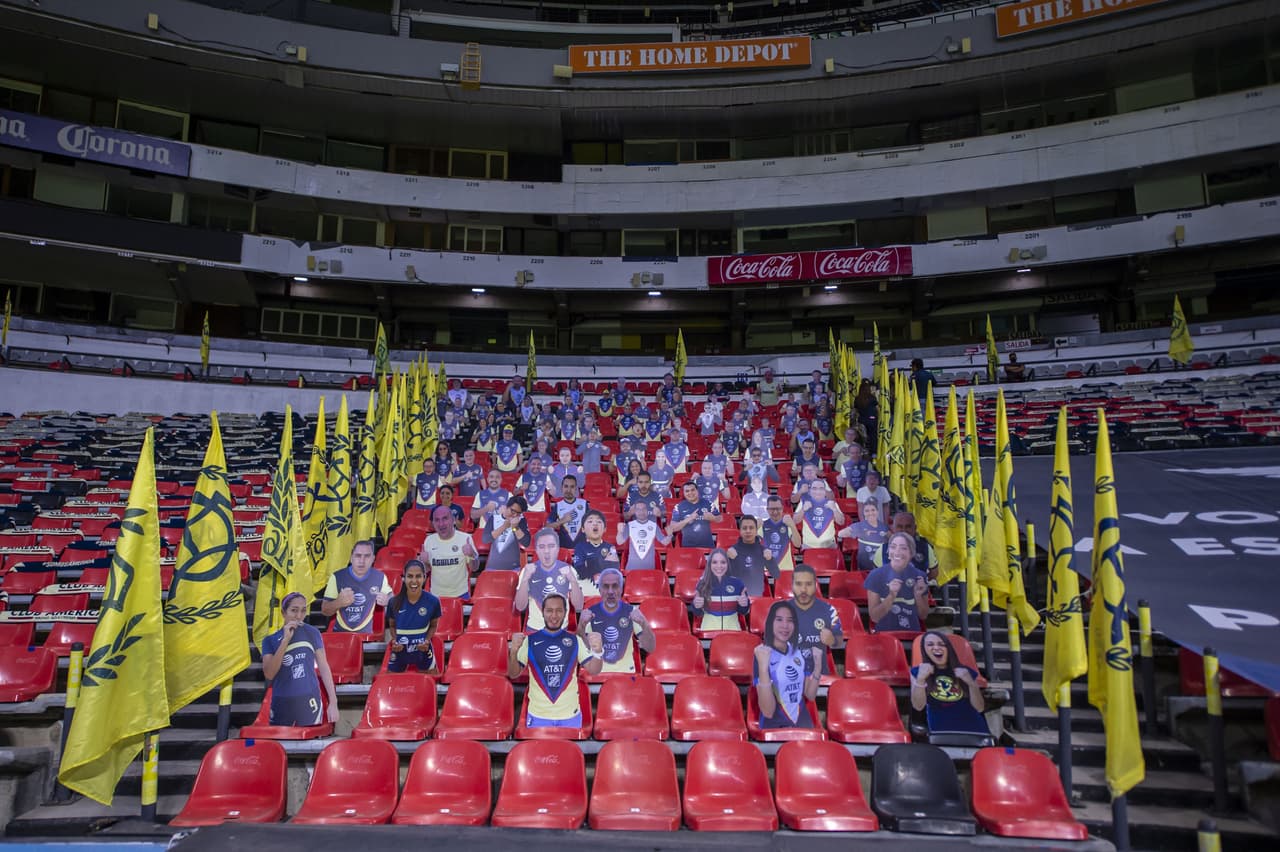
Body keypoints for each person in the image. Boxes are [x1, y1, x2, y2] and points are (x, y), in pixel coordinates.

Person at [509, 592, 603, 728]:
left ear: (565, 613)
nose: (554, 616)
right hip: (538, 717)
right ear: (542, 612)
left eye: (559, 611)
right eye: (549, 611)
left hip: (570, 717)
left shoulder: (575, 640)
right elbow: (513, 673)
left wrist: (598, 652)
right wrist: (513, 652)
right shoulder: (530, 641)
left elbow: (594, 670)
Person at [261, 592, 339, 726]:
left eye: (303, 611)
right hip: (281, 702)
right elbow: (269, 674)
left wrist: (333, 702)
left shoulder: (312, 632)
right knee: (281, 745)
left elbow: (324, 667)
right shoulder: (269, 640)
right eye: (294, 610)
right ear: (283, 612)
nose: (298, 616)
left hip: (309, 700)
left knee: (309, 744)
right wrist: (285, 641)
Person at [753, 599, 821, 730]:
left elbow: (810, 695)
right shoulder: (762, 653)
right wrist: (763, 668)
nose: (785, 625)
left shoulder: (800, 651)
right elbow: (768, 711)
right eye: (779, 620)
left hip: (803, 723)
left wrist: (817, 667)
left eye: (790, 620)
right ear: (770, 623)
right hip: (774, 727)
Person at [911, 630, 988, 738]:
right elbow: (918, 706)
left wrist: (971, 683)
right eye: (930, 645)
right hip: (940, 730)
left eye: (942, 644)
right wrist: (920, 680)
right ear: (924, 650)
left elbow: (979, 708)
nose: (936, 648)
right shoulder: (918, 672)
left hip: (974, 729)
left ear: (949, 649)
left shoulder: (966, 672)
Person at [578, 567, 655, 674]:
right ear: (599, 589)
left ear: (622, 589)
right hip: (597, 672)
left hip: (625, 674)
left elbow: (650, 648)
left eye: (615, 586)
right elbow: (583, 651)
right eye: (606, 586)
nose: (610, 591)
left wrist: (644, 623)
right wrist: (581, 627)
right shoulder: (590, 614)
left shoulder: (631, 612)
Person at [515, 527, 585, 631]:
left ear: (557, 548)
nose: (546, 551)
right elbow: (520, 607)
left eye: (551, 546)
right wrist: (525, 580)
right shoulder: (528, 571)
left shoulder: (569, 570)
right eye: (542, 547)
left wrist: (572, 580)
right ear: (536, 550)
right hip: (535, 630)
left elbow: (579, 606)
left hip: (561, 630)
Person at [865, 531, 931, 633]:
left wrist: (918, 596)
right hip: (884, 636)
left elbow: (923, 615)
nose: (897, 551)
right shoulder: (875, 575)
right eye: (893, 547)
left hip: (912, 635)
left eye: (903, 548)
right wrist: (891, 595)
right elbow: (875, 617)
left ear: (911, 553)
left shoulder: (920, 576)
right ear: (888, 551)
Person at [321, 539, 392, 632]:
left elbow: (392, 598)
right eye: (358, 556)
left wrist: (388, 601)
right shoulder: (337, 577)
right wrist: (338, 602)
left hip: (367, 637)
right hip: (341, 633)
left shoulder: (380, 577)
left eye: (367, 556)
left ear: (373, 559)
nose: (362, 561)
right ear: (351, 558)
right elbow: (325, 610)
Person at [385, 560, 441, 673]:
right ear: (404, 578)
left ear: (424, 577)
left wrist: (426, 640)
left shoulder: (433, 601)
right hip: (400, 651)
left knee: (429, 685)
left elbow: (433, 626)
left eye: (418, 576)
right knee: (391, 685)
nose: (414, 581)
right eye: (410, 576)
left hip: (423, 650)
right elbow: (391, 626)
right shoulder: (393, 602)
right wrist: (395, 641)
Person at [790, 563, 844, 677]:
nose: (803, 590)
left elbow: (839, 642)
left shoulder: (829, 610)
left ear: (815, 585)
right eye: (799, 584)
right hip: (788, 674)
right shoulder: (779, 611)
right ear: (792, 586)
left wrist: (832, 640)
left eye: (808, 584)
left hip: (819, 673)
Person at [420, 504, 480, 599]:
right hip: (436, 596)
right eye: (437, 520)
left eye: (445, 519)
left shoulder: (465, 538)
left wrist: (472, 554)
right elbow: (427, 569)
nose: (441, 524)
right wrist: (424, 562)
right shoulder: (429, 541)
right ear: (433, 523)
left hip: (460, 595)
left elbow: (475, 568)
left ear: (453, 520)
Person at [690, 548, 749, 632]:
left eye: (723, 562)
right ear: (709, 564)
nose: (719, 566)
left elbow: (743, 611)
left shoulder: (738, 583)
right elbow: (697, 613)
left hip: (733, 632)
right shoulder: (702, 583)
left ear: (727, 564)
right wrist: (696, 606)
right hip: (709, 633)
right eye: (715, 562)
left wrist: (744, 604)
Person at [876, 511, 939, 581]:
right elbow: (876, 576)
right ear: (893, 528)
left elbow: (934, 573)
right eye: (899, 526)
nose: (904, 530)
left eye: (908, 527)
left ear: (915, 528)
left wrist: (921, 582)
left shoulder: (925, 548)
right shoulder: (882, 550)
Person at [726, 514, 778, 597]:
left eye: (751, 528)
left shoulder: (763, 551)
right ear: (740, 531)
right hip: (736, 598)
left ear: (756, 530)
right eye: (744, 528)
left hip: (757, 598)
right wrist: (728, 559)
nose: (748, 531)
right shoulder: (732, 551)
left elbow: (776, 574)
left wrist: (770, 559)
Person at [838, 499, 890, 571]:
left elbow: (893, 540)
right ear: (864, 513)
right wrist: (860, 533)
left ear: (877, 512)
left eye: (873, 510)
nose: (870, 513)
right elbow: (840, 534)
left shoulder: (885, 527)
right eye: (867, 511)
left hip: (881, 567)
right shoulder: (859, 526)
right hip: (864, 567)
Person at [617, 499, 669, 571]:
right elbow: (619, 542)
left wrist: (670, 534)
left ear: (648, 511)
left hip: (649, 568)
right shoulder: (629, 525)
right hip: (631, 568)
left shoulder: (654, 525)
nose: (641, 512)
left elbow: (665, 542)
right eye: (638, 509)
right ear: (635, 512)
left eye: (644, 509)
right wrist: (619, 532)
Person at [573, 509, 620, 583]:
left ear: (604, 529)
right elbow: (580, 571)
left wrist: (590, 563)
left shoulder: (610, 547)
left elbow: (614, 572)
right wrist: (604, 563)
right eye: (590, 521)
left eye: (599, 521)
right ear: (583, 529)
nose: (595, 524)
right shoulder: (579, 547)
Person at [483, 495, 529, 572]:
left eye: (518, 513)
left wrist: (515, 527)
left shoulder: (521, 520)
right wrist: (504, 527)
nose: (515, 515)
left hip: (514, 567)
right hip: (492, 566)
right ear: (507, 507)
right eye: (513, 511)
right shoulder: (494, 518)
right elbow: (486, 539)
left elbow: (526, 542)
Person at [670, 479, 719, 549]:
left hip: (708, 548)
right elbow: (673, 528)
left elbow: (721, 519)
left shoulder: (708, 504)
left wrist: (713, 518)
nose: (690, 493)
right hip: (688, 549)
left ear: (697, 491)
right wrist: (688, 519)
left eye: (692, 490)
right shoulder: (678, 507)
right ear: (683, 493)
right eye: (687, 491)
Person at [797, 479, 844, 551]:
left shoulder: (832, 503)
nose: (818, 492)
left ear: (825, 491)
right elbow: (795, 521)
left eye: (821, 489)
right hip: (808, 547)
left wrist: (834, 509)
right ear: (809, 491)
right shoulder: (803, 503)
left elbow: (841, 522)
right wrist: (803, 510)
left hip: (829, 546)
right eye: (814, 488)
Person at [760, 496, 800, 573]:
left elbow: (798, 544)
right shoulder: (762, 525)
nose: (775, 512)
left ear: (782, 508)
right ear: (767, 510)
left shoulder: (788, 524)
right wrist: (755, 527)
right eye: (772, 509)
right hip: (766, 571)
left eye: (778, 509)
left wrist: (792, 525)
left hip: (786, 570)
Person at [549, 474, 588, 548]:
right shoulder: (558, 505)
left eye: (572, 487)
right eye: (566, 486)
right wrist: (562, 521)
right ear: (562, 488)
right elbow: (547, 527)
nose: (569, 490)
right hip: (563, 548)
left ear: (576, 488)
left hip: (582, 548)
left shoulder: (584, 504)